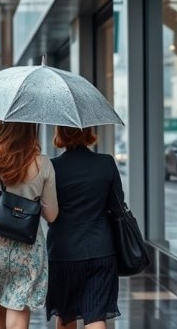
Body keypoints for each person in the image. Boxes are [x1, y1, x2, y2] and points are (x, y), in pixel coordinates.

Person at [0, 122, 58, 329]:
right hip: (26, 251)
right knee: (18, 311)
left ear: (1, 127)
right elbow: (51, 215)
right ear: (31, 129)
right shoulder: (42, 163)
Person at [46, 126, 122, 329]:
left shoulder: (52, 167)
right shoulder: (106, 163)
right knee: (96, 316)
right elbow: (117, 206)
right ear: (89, 132)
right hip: (101, 250)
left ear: (60, 134)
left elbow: (48, 212)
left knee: (66, 315)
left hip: (63, 253)